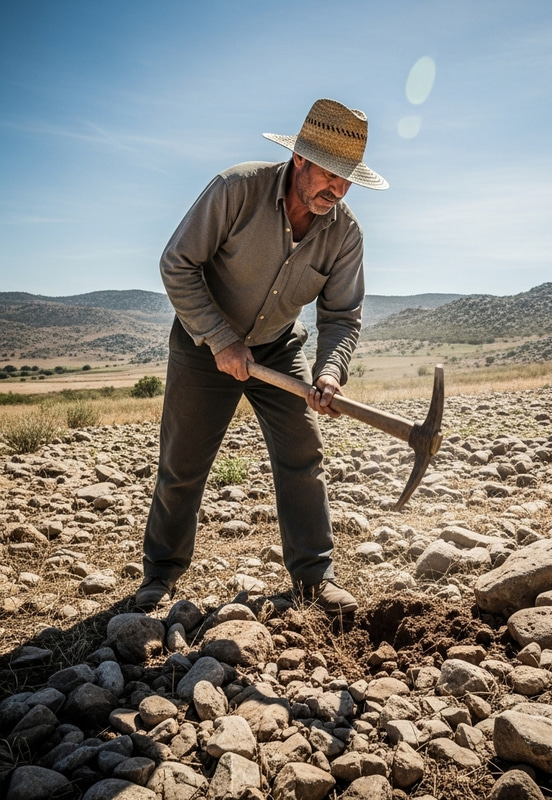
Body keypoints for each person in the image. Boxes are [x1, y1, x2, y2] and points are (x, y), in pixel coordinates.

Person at [135, 98, 388, 614]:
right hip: (203, 341)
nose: (336, 191)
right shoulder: (236, 189)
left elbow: (341, 317)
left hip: (277, 346)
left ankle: (314, 577)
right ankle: (160, 575)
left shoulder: (345, 232)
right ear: (300, 159)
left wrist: (330, 372)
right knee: (182, 464)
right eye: (329, 176)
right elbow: (177, 263)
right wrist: (221, 338)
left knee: (303, 453)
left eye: (347, 181)